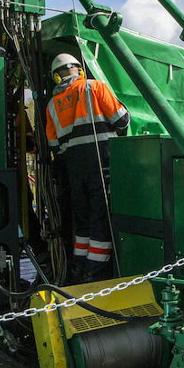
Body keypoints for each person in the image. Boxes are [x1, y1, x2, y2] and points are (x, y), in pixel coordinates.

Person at [43, 53, 130, 282]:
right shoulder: (95, 87)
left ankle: (79, 267)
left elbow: (55, 146)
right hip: (101, 165)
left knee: (83, 223)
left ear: (55, 76)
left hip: (74, 171)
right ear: (79, 69)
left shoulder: (51, 106)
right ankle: (95, 273)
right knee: (101, 219)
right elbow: (122, 120)